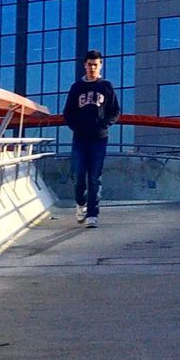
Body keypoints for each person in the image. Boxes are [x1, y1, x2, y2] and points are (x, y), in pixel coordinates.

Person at [62, 49, 120, 228]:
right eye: (89, 64)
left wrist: (104, 124)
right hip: (80, 138)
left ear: (100, 65)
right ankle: (81, 203)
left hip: (99, 138)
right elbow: (68, 112)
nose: (92, 68)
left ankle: (93, 214)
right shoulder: (76, 87)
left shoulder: (106, 86)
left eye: (95, 64)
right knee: (79, 174)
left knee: (95, 176)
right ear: (84, 65)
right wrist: (76, 126)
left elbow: (115, 111)